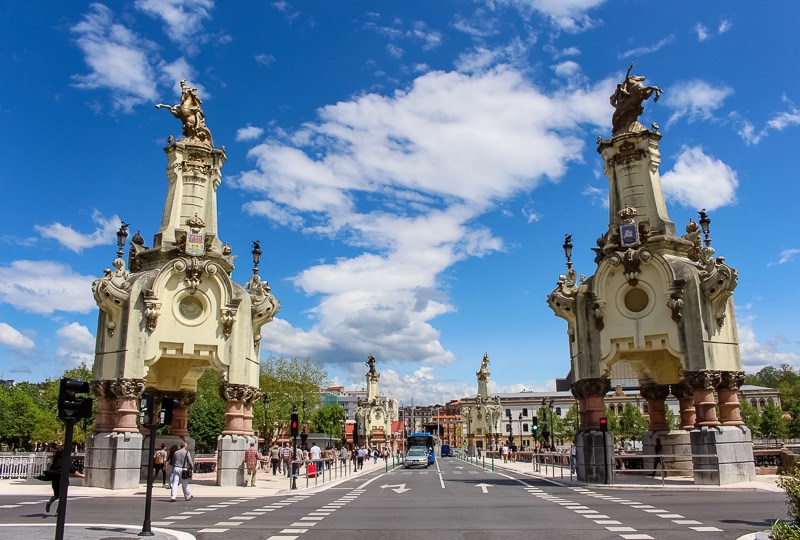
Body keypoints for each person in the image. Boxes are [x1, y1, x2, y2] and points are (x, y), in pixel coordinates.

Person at [45, 446, 84, 514]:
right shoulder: (66, 461)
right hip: (63, 480)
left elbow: (50, 469)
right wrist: (82, 475)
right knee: (63, 496)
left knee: (56, 495)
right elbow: (73, 471)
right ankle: (58, 512)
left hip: (55, 479)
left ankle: (50, 502)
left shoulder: (55, 461)